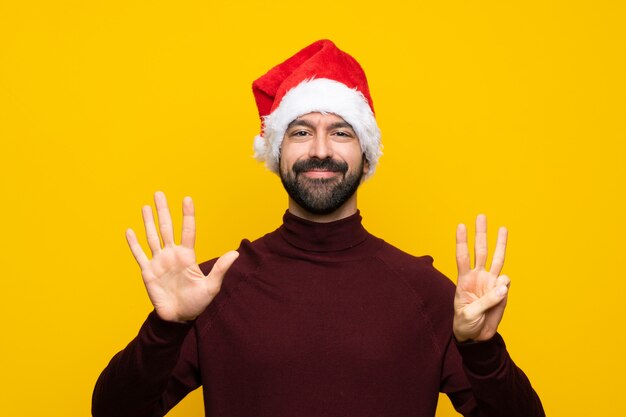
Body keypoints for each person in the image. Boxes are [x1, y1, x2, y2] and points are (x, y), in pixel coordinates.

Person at [92, 39, 545, 417]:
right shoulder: (212, 289)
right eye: (301, 132)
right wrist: (165, 328)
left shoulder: (425, 292)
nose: (322, 150)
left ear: (366, 156)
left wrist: (483, 350)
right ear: (276, 152)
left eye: (343, 132)